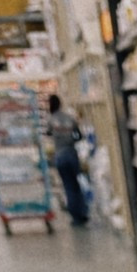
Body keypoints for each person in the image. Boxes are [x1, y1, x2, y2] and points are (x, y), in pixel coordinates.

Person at [47, 95, 87, 227]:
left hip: (60, 156)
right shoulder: (70, 118)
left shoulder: (51, 120)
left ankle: (75, 216)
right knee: (77, 184)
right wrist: (71, 140)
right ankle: (83, 213)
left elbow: (48, 134)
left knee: (68, 186)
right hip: (72, 153)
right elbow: (79, 135)